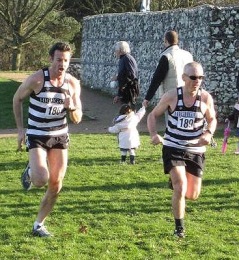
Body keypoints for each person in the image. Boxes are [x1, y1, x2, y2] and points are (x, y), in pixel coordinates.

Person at [13, 42, 83, 237]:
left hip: (59, 135)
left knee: (56, 183)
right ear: (51, 59)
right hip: (36, 133)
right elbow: (17, 99)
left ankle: (38, 225)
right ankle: (31, 169)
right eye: (59, 59)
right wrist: (20, 130)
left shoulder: (72, 84)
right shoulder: (37, 79)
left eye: (66, 60)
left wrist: (71, 108)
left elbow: (78, 119)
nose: (62, 64)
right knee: (40, 179)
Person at [147, 62, 217, 238]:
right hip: (173, 146)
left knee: (192, 194)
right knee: (180, 186)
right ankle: (179, 228)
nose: (197, 81)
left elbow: (213, 119)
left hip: (196, 149)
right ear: (184, 78)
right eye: (193, 77)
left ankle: (176, 183)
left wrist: (208, 133)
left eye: (201, 77)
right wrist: (154, 134)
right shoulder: (171, 96)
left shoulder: (206, 98)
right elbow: (152, 115)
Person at [143, 30, 193, 109]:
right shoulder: (188, 55)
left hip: (172, 95)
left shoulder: (166, 56)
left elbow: (157, 79)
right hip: (188, 93)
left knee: (171, 120)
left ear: (166, 41)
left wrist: (147, 98)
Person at [112, 41, 139, 109]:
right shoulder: (125, 59)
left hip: (129, 92)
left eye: (116, 50)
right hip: (127, 91)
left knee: (127, 114)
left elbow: (131, 76)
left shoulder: (126, 59)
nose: (115, 52)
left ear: (120, 50)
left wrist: (117, 77)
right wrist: (119, 94)